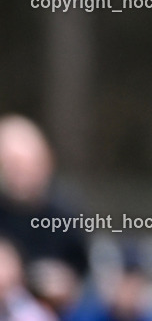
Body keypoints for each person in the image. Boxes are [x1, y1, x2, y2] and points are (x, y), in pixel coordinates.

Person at [0, 116, 89, 313]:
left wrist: (67, 284)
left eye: (24, 163)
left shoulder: (65, 213)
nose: (19, 172)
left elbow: (84, 275)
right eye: (11, 164)